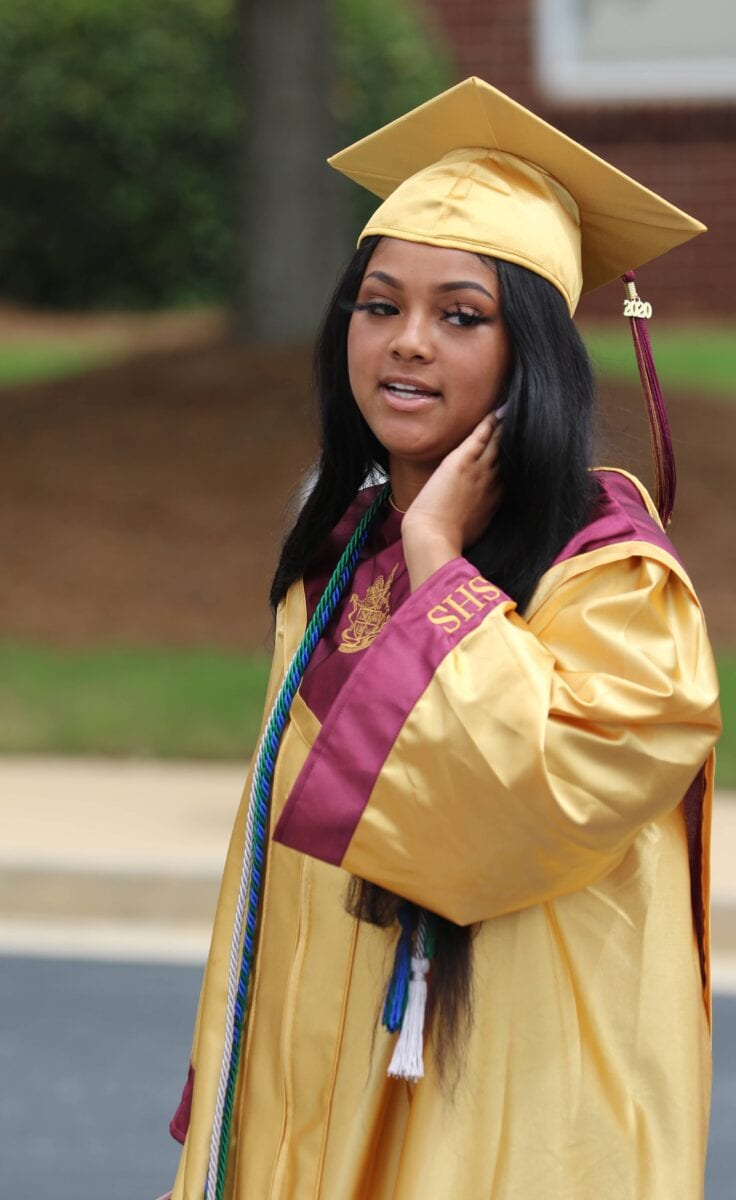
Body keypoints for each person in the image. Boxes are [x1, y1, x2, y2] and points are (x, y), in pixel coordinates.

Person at [165, 78, 721, 1200]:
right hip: (319, 1072)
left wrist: (441, 567)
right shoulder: (335, 557)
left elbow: (511, 813)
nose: (406, 345)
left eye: (460, 316)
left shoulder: (612, 581)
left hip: (500, 1096)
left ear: (534, 357)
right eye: (379, 306)